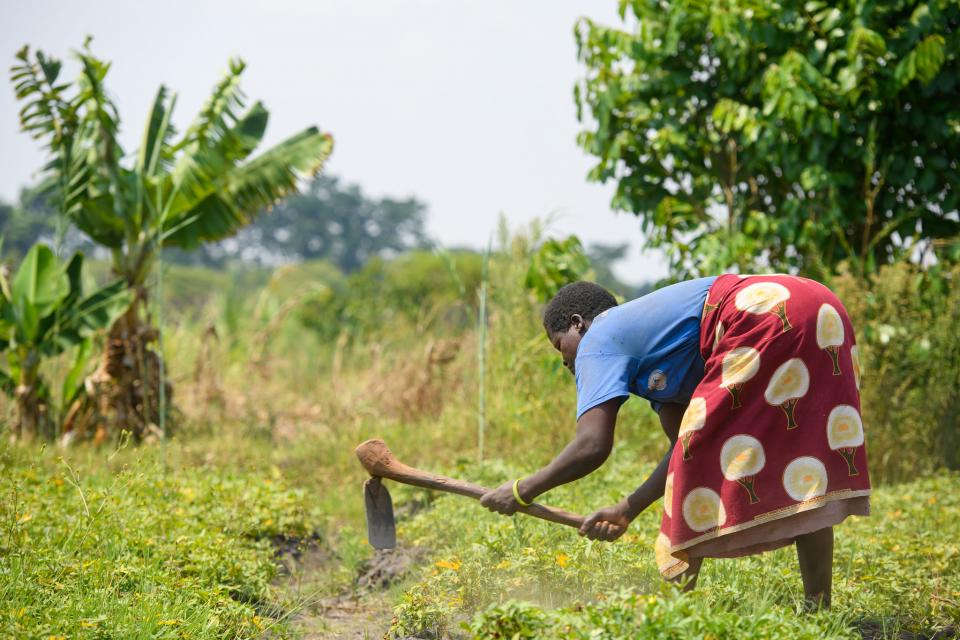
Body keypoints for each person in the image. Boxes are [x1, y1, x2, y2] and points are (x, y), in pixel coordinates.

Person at [479, 275, 870, 609]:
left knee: (701, 463)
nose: (566, 363)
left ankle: (676, 616)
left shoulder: (599, 337)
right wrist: (626, 509)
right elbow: (681, 449)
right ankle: (818, 614)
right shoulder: (655, 352)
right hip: (818, 306)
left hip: (760, 315)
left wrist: (521, 490)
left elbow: (592, 445)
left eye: (559, 346)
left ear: (578, 323)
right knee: (804, 463)